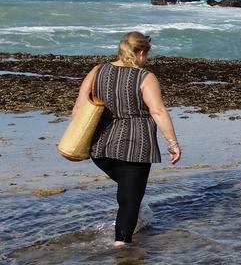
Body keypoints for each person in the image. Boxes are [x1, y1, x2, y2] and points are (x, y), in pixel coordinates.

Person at [72, 31, 181, 246]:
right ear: (140, 53)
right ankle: (121, 251)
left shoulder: (98, 70)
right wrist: (173, 143)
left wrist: (80, 138)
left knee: (128, 193)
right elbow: (158, 111)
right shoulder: (145, 77)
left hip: (101, 148)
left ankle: (136, 222)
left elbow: (78, 107)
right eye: (146, 55)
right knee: (129, 199)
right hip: (136, 148)